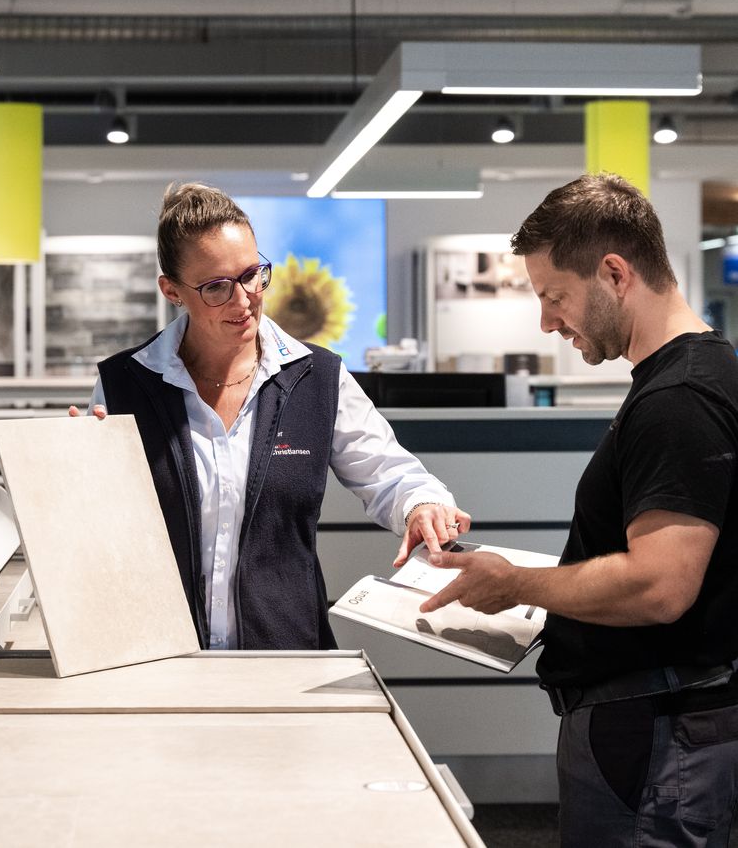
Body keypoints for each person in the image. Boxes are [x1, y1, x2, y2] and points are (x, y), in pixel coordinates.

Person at [421, 173, 738, 847]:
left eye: (553, 296)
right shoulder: (693, 377)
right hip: (659, 736)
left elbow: (659, 584)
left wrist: (515, 585)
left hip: (657, 743)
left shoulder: (677, 399)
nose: (546, 320)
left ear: (615, 273)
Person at [71, 182, 469, 651]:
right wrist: (77, 474)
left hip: (287, 654)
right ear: (172, 291)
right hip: (157, 654)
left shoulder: (317, 377)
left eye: (252, 274)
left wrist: (421, 504)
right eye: (216, 287)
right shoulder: (126, 384)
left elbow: (390, 472)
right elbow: (94, 534)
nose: (243, 300)